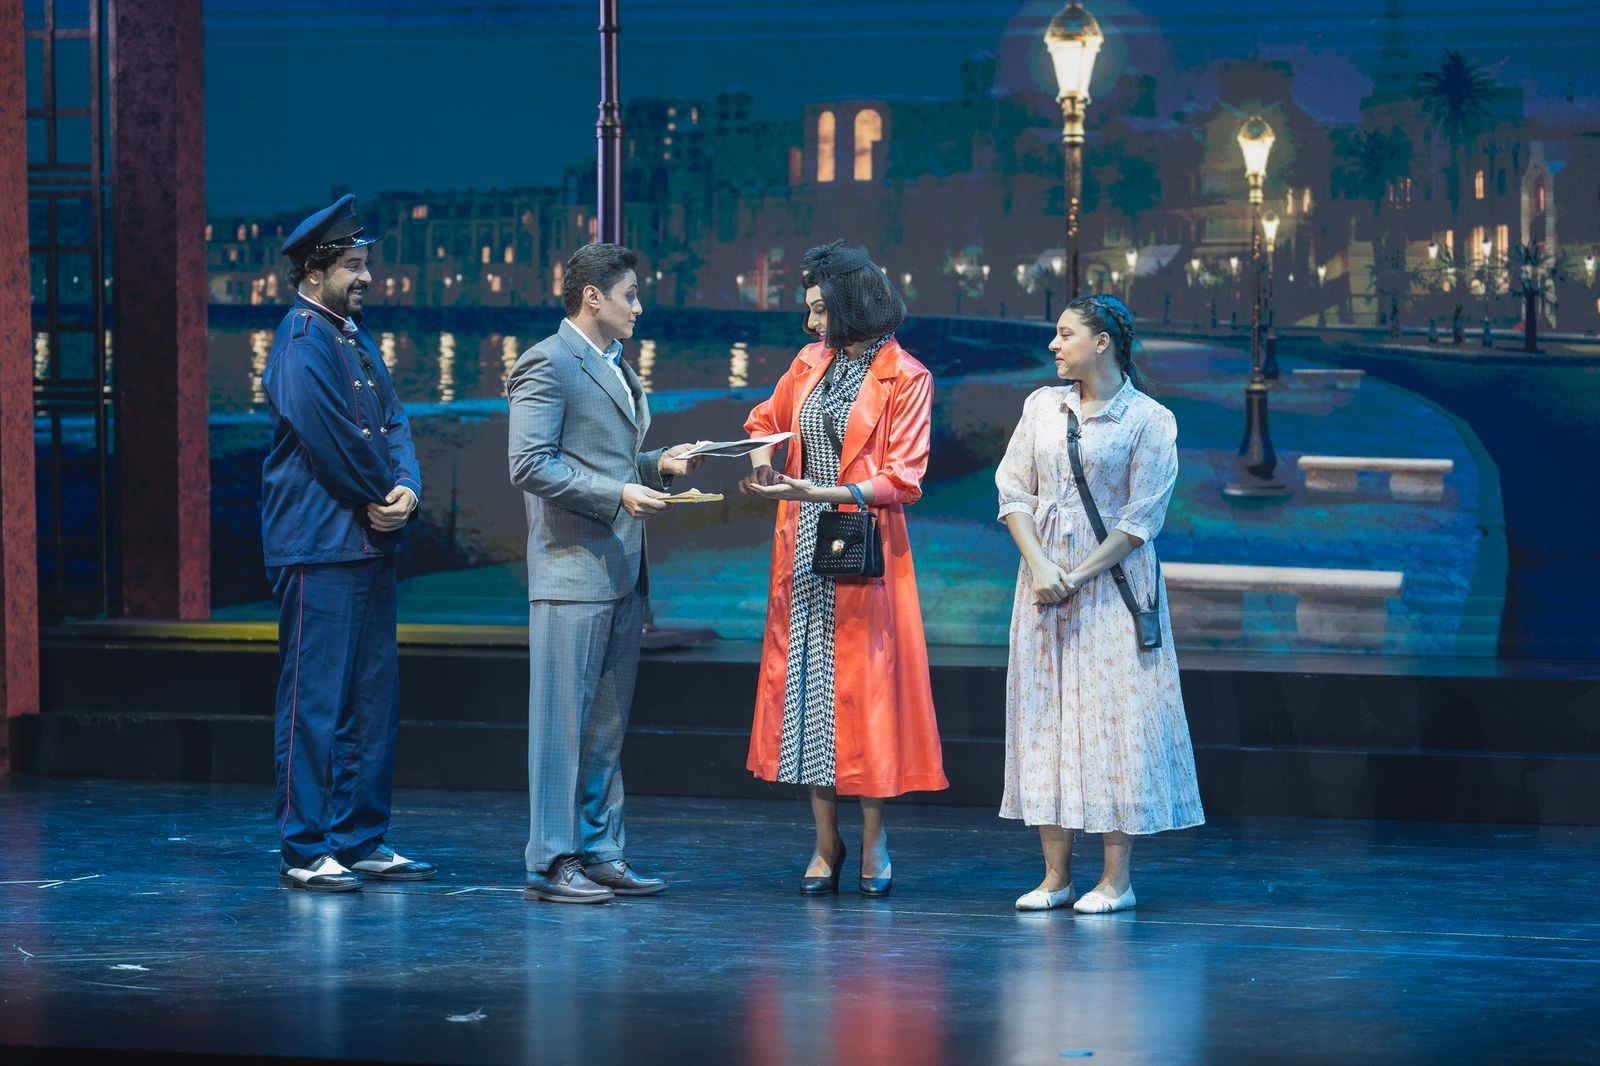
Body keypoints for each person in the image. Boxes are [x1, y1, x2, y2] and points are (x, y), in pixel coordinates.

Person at [742, 241, 948, 897]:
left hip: (862, 546)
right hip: (804, 548)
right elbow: (765, 423)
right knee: (808, 694)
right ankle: (825, 840)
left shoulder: (906, 376)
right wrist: (763, 465)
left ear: (851, 306)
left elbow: (903, 478)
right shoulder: (809, 362)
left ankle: (875, 840)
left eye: (819, 310)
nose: (810, 323)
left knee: (867, 698)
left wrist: (822, 492)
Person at [995, 293, 1203, 914]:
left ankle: (1115, 880)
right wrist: (1040, 566)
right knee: (1045, 718)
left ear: (1102, 342)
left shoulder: (1149, 420)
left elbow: (1142, 519)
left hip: (1112, 586)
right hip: (1042, 584)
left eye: (1065, 334)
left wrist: (1076, 575)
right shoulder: (1041, 406)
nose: (1054, 345)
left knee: (1116, 723)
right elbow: (1013, 489)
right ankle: (1055, 877)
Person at [508, 242, 701, 904]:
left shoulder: (613, 364)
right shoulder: (548, 362)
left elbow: (604, 458)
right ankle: (550, 860)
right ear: (593, 297)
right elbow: (530, 463)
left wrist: (654, 466)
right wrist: (619, 492)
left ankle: (600, 851)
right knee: (561, 728)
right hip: (571, 573)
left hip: (620, 570)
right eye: (630, 295)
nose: (638, 307)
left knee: (604, 729)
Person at [262, 194, 436, 892]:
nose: (366, 277)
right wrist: (381, 494)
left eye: (365, 264)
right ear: (315, 270)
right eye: (353, 266)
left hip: (364, 542)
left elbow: (394, 424)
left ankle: (360, 838)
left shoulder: (351, 338)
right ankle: (305, 849)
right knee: (314, 705)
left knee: (371, 703)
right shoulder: (301, 340)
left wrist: (408, 489)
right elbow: (329, 438)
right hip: (319, 545)